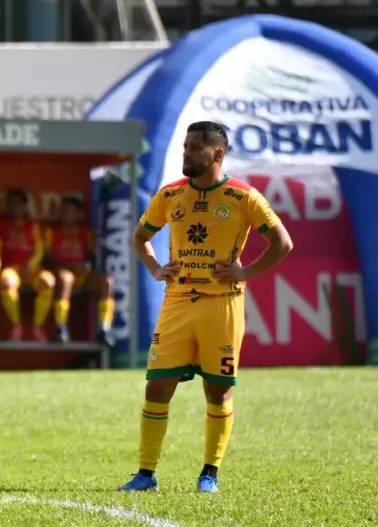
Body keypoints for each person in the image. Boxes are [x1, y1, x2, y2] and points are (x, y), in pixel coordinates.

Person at [121, 121, 293, 494]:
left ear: (217, 154)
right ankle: (146, 474)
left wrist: (245, 271)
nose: (185, 153)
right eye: (184, 146)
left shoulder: (243, 197)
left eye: (194, 147)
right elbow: (140, 237)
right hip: (178, 302)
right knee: (156, 388)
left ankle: (209, 474)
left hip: (223, 305)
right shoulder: (170, 196)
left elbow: (282, 242)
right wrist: (154, 268)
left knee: (218, 392)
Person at [44, 196, 116, 344]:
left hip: (83, 276)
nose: (64, 214)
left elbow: (92, 257)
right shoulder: (52, 232)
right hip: (61, 273)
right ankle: (61, 329)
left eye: (69, 211)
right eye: (62, 210)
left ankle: (104, 329)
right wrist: (67, 266)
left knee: (106, 282)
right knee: (66, 278)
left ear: (78, 214)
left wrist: (86, 266)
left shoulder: (86, 234)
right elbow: (46, 258)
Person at [0, 188, 55, 341]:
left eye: (18, 203)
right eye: (11, 203)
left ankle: (38, 327)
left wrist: (30, 265)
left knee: (48, 281)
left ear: (25, 205)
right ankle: (16, 326)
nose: (15, 207)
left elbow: (39, 249)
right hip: (11, 269)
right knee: (8, 283)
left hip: (31, 269)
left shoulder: (32, 226)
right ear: (6, 205)